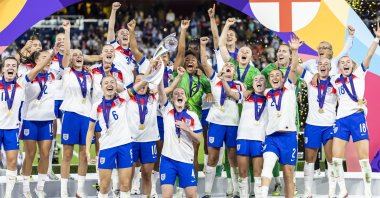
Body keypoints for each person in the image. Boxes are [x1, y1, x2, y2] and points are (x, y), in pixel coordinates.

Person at [330, 23, 380, 198]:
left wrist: (377, 38)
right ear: (339, 67)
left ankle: (367, 192)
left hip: (357, 118)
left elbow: (369, 54)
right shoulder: (335, 80)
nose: (345, 63)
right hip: (341, 120)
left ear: (352, 65)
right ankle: (342, 190)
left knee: (363, 159)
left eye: (348, 62)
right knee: (336, 159)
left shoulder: (360, 73)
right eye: (342, 62)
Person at [200, 37, 245, 198]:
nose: (228, 67)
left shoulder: (240, 85)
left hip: (232, 124)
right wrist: (203, 46)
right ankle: (207, 192)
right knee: (212, 156)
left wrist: (222, 79)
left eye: (231, 67)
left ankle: (237, 190)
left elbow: (233, 95)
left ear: (234, 72)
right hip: (216, 123)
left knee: (232, 157)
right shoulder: (215, 80)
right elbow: (204, 64)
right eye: (226, 65)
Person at [292, 46, 338, 197]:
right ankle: (307, 192)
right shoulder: (310, 78)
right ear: (316, 67)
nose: (323, 66)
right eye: (320, 64)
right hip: (312, 125)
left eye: (326, 64)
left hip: (330, 125)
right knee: (309, 160)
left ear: (331, 67)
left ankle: (332, 192)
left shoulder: (337, 81)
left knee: (331, 160)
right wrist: (294, 50)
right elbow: (294, 67)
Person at [260, 36, 300, 198]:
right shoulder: (267, 92)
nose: (275, 77)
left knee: (288, 174)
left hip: (289, 136)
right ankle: (262, 194)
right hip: (271, 138)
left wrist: (295, 50)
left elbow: (293, 69)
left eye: (278, 76)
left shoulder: (289, 88)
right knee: (267, 167)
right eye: (272, 76)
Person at [85, 75, 134, 198]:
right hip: (107, 147)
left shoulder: (123, 98)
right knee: (104, 186)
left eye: (112, 82)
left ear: (116, 86)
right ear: (101, 87)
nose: (110, 84)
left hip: (125, 145)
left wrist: (150, 71)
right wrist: (87, 150)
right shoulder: (97, 105)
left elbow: (139, 85)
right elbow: (90, 129)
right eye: (106, 83)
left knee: (125, 185)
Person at [60, 20, 93, 198]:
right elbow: (66, 51)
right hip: (71, 115)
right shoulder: (66, 72)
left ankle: (79, 191)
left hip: (86, 116)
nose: (78, 56)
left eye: (80, 54)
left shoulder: (89, 75)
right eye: (75, 54)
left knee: (84, 154)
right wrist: (67, 30)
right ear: (70, 59)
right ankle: (64, 192)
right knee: (66, 154)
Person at [19, 49, 58, 198]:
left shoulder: (53, 75)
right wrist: (50, 54)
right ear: (36, 61)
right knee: (29, 155)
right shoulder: (27, 76)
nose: (48, 60)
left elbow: (66, 60)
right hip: (30, 120)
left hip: (47, 120)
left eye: (49, 58)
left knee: (45, 154)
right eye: (43, 58)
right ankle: (25, 188)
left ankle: (39, 188)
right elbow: (33, 72)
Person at [157, 77, 203, 198]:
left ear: (186, 98)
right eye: (176, 93)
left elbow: (198, 139)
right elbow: (161, 92)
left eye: (182, 93)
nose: (179, 95)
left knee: (192, 195)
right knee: (166, 196)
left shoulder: (193, 116)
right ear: (172, 99)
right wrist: (160, 76)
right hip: (168, 160)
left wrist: (187, 130)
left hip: (186, 160)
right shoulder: (167, 110)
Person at [1, 57, 25, 198]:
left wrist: (52, 52)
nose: (10, 67)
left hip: (12, 129)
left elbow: (37, 68)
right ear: (3, 68)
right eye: (7, 65)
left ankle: (8, 195)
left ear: (17, 69)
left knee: (12, 161)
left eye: (14, 65)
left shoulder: (21, 84)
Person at [107, 2, 136, 87]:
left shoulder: (133, 53)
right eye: (122, 33)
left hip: (130, 90)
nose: (125, 34)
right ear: (117, 39)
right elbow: (111, 28)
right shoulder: (113, 47)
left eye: (127, 33)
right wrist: (113, 10)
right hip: (116, 87)